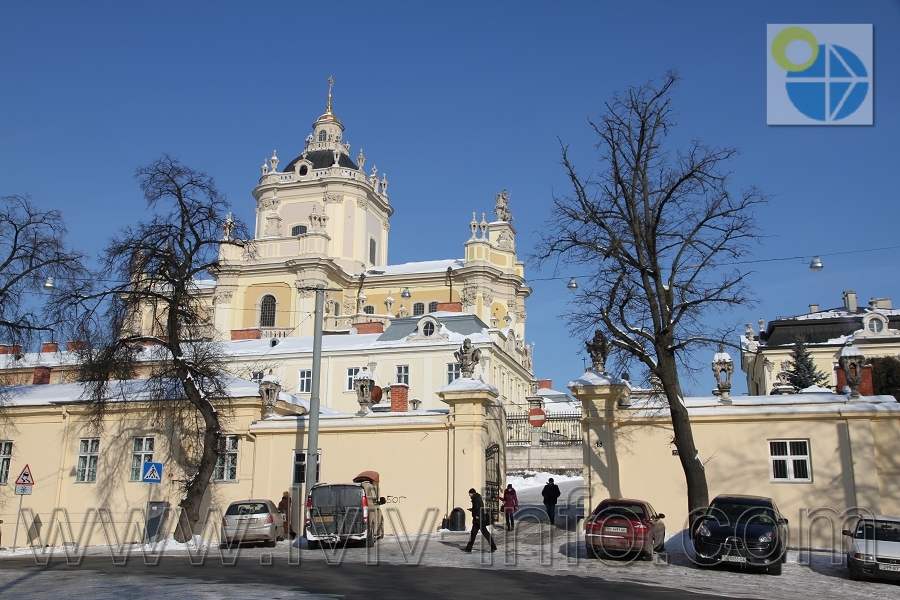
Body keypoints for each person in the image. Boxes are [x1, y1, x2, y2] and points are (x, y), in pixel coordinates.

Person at [463, 488, 497, 552]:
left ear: (472, 493)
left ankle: (493, 547)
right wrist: (472, 510)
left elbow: (477, 507)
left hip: (479, 520)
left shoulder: (475, 498)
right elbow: (478, 507)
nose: (469, 495)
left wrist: (477, 515)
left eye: (469, 494)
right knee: (473, 533)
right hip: (478, 520)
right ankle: (468, 548)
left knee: (485, 533)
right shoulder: (477, 497)